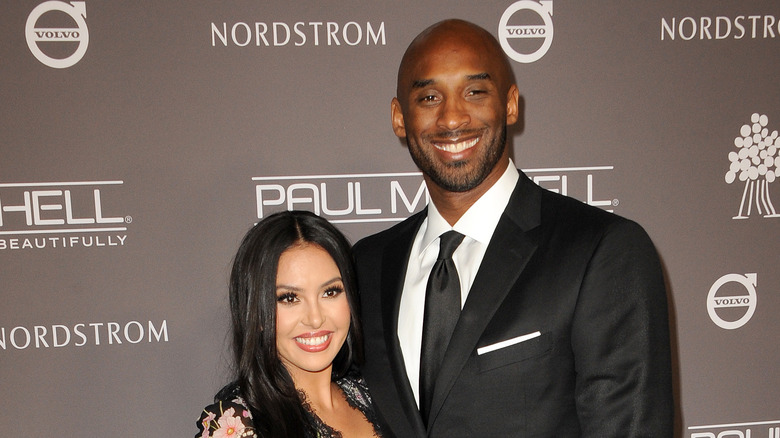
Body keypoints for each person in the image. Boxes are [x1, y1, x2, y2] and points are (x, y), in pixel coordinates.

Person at [353, 19, 673, 437]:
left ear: (510, 105)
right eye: (429, 96)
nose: (452, 118)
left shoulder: (601, 251)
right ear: (399, 117)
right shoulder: (367, 265)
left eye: (475, 92)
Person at [196, 211, 382, 438]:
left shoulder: (378, 396)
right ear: (257, 312)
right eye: (289, 298)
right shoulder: (235, 423)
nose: (315, 318)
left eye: (330, 292)